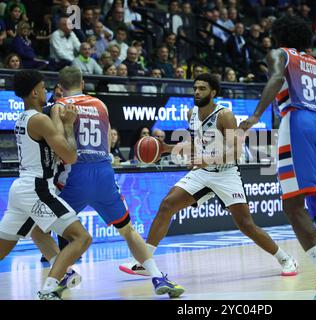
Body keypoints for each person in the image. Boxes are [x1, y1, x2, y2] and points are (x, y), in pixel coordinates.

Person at [119, 73, 298, 290]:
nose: (196, 92)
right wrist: (166, 149)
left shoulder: (225, 116)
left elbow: (236, 152)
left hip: (226, 173)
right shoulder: (191, 113)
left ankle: (285, 258)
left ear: (213, 92)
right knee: (167, 205)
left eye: (202, 88)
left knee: (246, 225)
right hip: (203, 171)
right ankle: (145, 261)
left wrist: (207, 159)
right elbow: (197, 143)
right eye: (195, 88)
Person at [239, 16, 316, 300]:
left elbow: (278, 77)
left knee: (292, 204)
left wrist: (255, 115)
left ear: (279, 36)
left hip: (297, 121)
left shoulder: (280, 54)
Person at [48, 67, 183, 298]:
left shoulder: (59, 106)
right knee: (128, 230)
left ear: (59, 87)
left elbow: (60, 145)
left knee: (47, 227)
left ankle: (62, 275)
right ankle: (157, 276)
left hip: (75, 174)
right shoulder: (100, 105)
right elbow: (107, 141)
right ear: (83, 83)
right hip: (103, 171)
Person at [0, 70, 92, 300]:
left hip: (22, 189)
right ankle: (49, 289)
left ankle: (64, 272)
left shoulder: (24, 117)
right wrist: (69, 124)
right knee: (81, 238)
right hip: (37, 189)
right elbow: (70, 156)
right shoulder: (40, 120)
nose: (47, 91)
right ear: (34, 92)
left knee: (37, 233)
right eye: (43, 88)